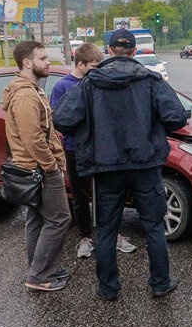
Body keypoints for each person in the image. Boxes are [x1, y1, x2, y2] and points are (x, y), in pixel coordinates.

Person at [53, 29, 187, 300]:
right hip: (145, 166)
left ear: (109, 50)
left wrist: (89, 127)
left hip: (106, 168)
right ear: (134, 51)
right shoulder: (151, 80)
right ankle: (160, 283)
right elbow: (175, 117)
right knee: (152, 225)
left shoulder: (91, 83)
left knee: (106, 228)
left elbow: (63, 120)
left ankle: (108, 288)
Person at [49, 43, 137, 259]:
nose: (98, 69)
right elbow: (58, 118)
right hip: (74, 148)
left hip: (101, 148)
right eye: (94, 66)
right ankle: (85, 237)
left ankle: (111, 233)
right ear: (80, 64)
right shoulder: (63, 86)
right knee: (80, 195)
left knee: (106, 193)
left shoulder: (98, 82)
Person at [0, 40, 70, 292]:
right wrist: (51, 166)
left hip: (34, 167)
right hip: (38, 168)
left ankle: (43, 267)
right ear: (27, 63)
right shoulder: (26, 95)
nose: (48, 62)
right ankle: (39, 275)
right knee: (60, 218)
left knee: (37, 219)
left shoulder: (31, 89)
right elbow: (33, 139)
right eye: (42, 59)